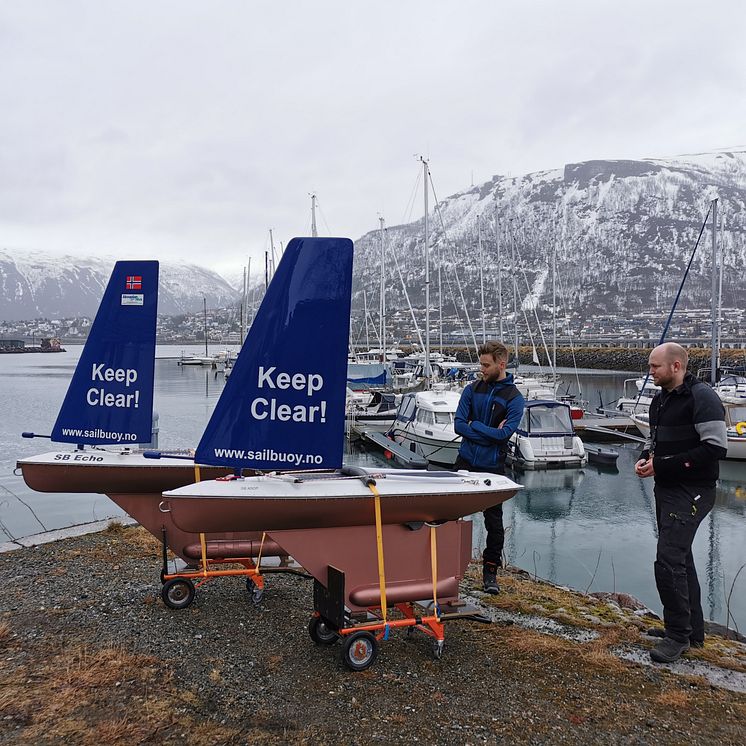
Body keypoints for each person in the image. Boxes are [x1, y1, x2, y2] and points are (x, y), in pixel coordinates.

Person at [635, 342, 727, 663]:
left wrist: (662, 464)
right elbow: (653, 441)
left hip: (694, 491)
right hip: (667, 488)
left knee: (668, 560)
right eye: (649, 366)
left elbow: (715, 448)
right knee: (682, 558)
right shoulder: (659, 400)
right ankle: (693, 631)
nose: (650, 372)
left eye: (655, 366)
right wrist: (646, 458)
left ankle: (677, 636)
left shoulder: (703, 398)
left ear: (676, 366)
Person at [454, 341, 525, 594]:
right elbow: (458, 426)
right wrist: (488, 431)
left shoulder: (515, 399)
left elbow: (504, 434)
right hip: (464, 463)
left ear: (501, 364)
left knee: (493, 524)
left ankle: (490, 574)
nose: (481, 369)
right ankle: (443, 569)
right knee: (447, 517)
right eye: (480, 364)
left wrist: (475, 426)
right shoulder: (471, 389)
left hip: (492, 469)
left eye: (486, 365)